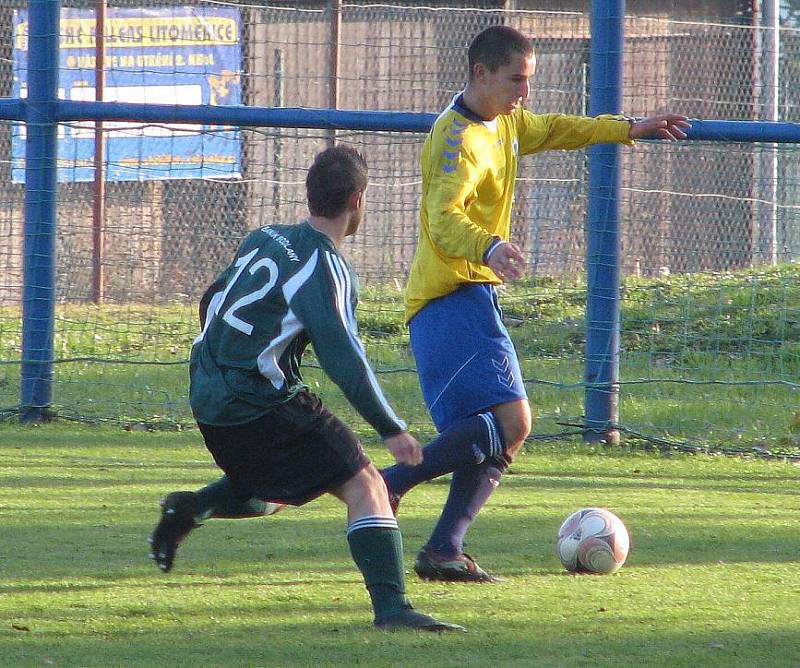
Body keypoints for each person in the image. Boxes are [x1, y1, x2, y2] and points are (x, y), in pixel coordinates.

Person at [380, 25, 691, 583]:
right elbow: (442, 219)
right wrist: (490, 244)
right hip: (450, 296)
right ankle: (392, 485)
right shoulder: (456, 142)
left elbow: (554, 128)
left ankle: (443, 551)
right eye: (516, 80)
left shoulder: (505, 120)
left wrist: (629, 129)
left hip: (468, 296)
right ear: (480, 73)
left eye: (529, 80)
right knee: (513, 422)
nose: (525, 91)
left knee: (487, 436)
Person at [148, 146, 464, 632]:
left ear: (310, 193)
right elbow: (344, 359)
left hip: (208, 395)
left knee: (278, 487)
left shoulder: (264, 236)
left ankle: (191, 507)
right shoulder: (325, 268)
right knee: (366, 485)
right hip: (258, 400)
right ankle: (393, 608)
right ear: (359, 200)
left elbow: (212, 298)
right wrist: (391, 428)